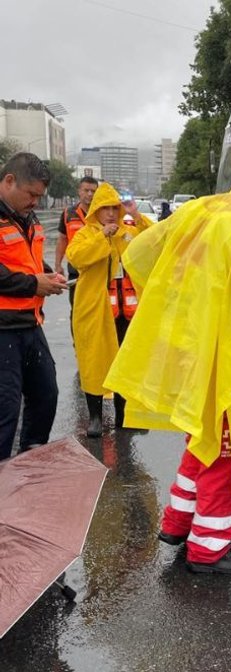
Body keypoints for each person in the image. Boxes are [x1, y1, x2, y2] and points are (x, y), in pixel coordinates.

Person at [103, 128, 231, 575]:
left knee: (204, 441)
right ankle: (209, 550)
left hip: (192, 349)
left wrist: (184, 307)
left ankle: (177, 524)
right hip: (228, 360)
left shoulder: (205, 208)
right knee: (227, 452)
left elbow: (141, 253)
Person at [66, 182, 152, 437]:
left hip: (127, 313)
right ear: (96, 211)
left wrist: (135, 215)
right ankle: (95, 418)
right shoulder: (86, 234)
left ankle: (124, 416)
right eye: (106, 209)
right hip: (97, 312)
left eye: (115, 208)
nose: (112, 214)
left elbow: (155, 240)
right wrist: (102, 236)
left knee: (126, 364)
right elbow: (76, 257)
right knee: (94, 363)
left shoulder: (128, 232)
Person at [0, 153, 67, 459]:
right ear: (9, 181)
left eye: (40, 196)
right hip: (3, 329)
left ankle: (30, 458)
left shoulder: (27, 217)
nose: (36, 203)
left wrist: (47, 274)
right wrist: (33, 284)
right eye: (31, 195)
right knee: (6, 408)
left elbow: (28, 260)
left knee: (45, 395)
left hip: (30, 323)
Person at [54, 175, 97, 308]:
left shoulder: (101, 213)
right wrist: (58, 264)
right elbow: (62, 239)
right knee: (77, 308)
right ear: (79, 191)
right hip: (75, 271)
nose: (89, 194)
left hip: (97, 270)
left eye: (93, 191)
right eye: (86, 190)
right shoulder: (68, 213)